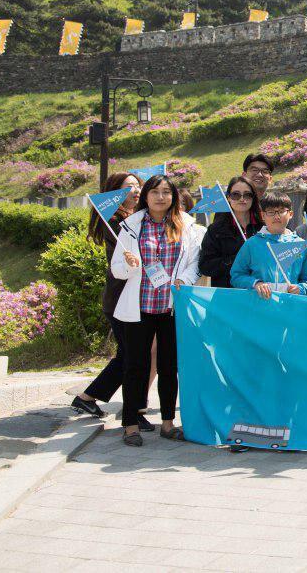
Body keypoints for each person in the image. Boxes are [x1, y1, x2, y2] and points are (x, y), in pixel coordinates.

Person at [110, 174, 204, 446]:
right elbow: (117, 269)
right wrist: (129, 263)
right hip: (139, 307)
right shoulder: (131, 226)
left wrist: (183, 279)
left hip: (170, 308)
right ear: (145, 196)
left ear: (173, 196)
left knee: (169, 366)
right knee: (135, 366)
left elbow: (195, 262)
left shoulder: (186, 226)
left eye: (166, 192)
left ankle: (167, 423)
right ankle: (130, 425)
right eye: (155, 192)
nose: (161, 197)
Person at [72, 173, 143, 423]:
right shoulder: (115, 222)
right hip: (120, 296)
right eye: (128, 187)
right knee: (129, 354)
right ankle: (88, 397)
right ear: (115, 192)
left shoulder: (133, 218)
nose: (135, 190)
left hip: (131, 296)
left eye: (138, 185)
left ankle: (89, 397)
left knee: (129, 353)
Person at [230, 191, 307, 298]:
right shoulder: (252, 244)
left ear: (291, 214)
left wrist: (301, 288)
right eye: (271, 212)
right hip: (259, 305)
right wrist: (255, 283)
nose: (276, 216)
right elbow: (237, 275)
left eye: (281, 211)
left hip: (290, 305)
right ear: (262, 215)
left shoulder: (301, 245)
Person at [198, 175, 262, 287]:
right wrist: (235, 259)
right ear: (228, 197)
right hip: (227, 294)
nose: (242, 199)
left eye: (247, 195)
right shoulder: (216, 230)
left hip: (260, 293)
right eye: (236, 195)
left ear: (253, 198)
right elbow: (205, 266)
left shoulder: (264, 226)